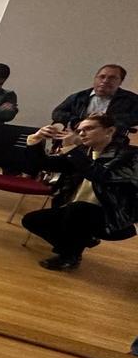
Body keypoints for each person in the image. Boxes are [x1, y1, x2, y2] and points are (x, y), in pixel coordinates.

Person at [20, 114, 138, 271]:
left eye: (89, 128)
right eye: (80, 130)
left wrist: (71, 149)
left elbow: (101, 175)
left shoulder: (130, 155)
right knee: (32, 220)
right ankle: (81, 241)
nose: (82, 133)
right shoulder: (84, 152)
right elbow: (46, 164)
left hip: (112, 218)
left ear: (109, 131)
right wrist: (35, 140)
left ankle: (69, 257)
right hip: (74, 211)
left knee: (80, 209)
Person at [51, 65, 138, 132]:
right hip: (75, 137)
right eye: (102, 77)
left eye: (112, 78)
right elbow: (57, 113)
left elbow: (134, 118)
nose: (105, 81)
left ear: (120, 82)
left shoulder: (131, 99)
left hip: (111, 141)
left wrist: (104, 120)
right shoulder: (79, 97)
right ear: (95, 78)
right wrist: (77, 121)